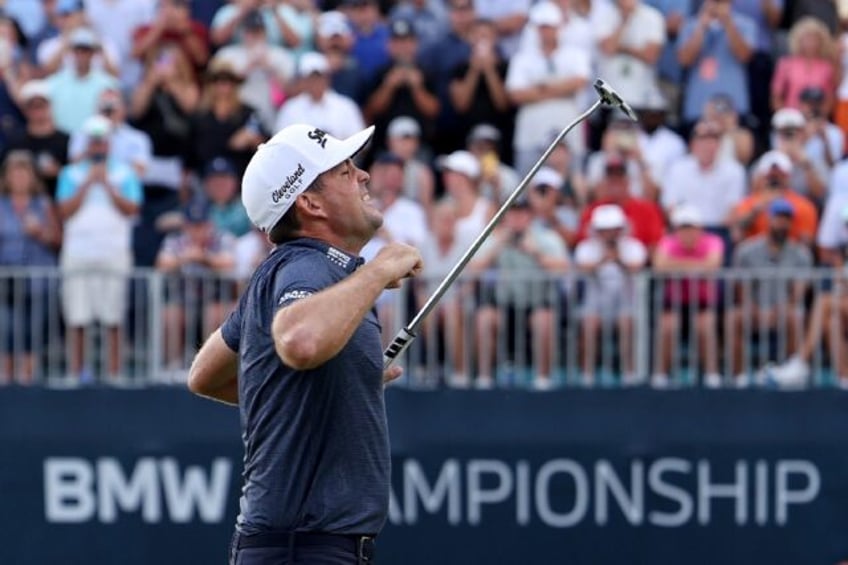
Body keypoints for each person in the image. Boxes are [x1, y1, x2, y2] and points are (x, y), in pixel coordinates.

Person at [187, 123, 423, 564]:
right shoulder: (309, 267)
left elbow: (204, 375)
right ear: (310, 203)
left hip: (299, 547)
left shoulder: (289, 270)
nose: (364, 176)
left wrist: (334, 389)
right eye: (345, 171)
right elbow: (300, 340)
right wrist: (377, 270)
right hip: (304, 549)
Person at [56, 114, 142, 383]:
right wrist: (87, 183)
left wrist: (107, 185)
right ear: (86, 143)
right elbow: (64, 210)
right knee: (77, 316)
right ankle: (77, 372)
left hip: (113, 251)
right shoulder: (70, 173)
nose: (98, 147)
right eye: (93, 142)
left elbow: (132, 209)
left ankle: (114, 373)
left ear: (109, 144)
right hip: (78, 252)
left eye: (102, 142)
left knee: (113, 315)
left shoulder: (125, 173)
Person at [471, 198, 569, 390]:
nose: (516, 218)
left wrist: (536, 253)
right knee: (484, 319)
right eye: (512, 213)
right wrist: (497, 248)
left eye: (521, 213)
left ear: (530, 216)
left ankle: (543, 379)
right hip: (505, 304)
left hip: (537, 302)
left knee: (543, 320)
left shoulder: (546, 238)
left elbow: (564, 267)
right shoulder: (495, 239)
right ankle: (484, 378)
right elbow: (473, 269)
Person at [726, 199, 813, 386]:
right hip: (755, 310)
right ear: (769, 220)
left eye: (787, 219)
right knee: (734, 317)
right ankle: (739, 376)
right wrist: (754, 308)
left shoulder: (801, 253)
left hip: (784, 310)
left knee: (795, 316)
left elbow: (799, 290)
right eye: (778, 218)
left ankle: (788, 373)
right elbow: (742, 287)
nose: (782, 223)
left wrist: (783, 308)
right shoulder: (747, 251)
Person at [506, 1, 590, 174]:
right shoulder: (523, 58)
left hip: (567, 131)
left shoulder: (575, 54)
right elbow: (515, 94)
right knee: (526, 183)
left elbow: (580, 82)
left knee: (573, 182)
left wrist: (540, 89)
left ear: (559, 27)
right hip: (531, 134)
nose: (546, 32)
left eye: (550, 27)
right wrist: (561, 89)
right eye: (542, 27)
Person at [156, 198, 236, 377]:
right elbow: (162, 264)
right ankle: (173, 368)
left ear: (209, 224)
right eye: (193, 225)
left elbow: (229, 263)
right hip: (183, 301)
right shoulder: (175, 241)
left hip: (214, 299)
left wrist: (204, 258)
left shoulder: (223, 238)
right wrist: (185, 258)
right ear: (185, 226)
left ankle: (212, 368)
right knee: (170, 315)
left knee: (214, 314)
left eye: (201, 225)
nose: (197, 231)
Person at [0, 150, 61, 384]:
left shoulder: (43, 205)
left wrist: (40, 233)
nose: (19, 178)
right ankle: (5, 386)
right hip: (5, 283)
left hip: (38, 284)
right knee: (5, 334)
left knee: (30, 337)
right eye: (14, 173)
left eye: (24, 173)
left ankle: (26, 383)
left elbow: (57, 240)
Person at [652, 204, 724, 388]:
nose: (687, 232)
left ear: (699, 229)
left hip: (703, 301)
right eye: (683, 227)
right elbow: (660, 266)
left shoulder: (713, 241)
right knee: (667, 326)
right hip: (674, 301)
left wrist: (676, 265)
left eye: (690, 227)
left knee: (705, 326)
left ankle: (711, 375)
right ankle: (661, 375)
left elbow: (712, 266)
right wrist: (697, 266)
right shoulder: (667, 241)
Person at [574, 203, 647, 386]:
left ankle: (629, 374)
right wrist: (603, 260)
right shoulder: (586, 247)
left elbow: (637, 266)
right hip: (595, 304)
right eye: (605, 230)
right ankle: (587, 375)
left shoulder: (634, 246)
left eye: (613, 230)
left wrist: (619, 260)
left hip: (626, 304)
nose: (609, 235)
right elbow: (583, 267)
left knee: (626, 323)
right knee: (589, 324)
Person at [730, 150, 818, 246]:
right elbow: (736, 236)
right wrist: (755, 212)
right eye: (770, 176)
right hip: (755, 257)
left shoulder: (803, 206)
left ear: (787, 178)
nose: (774, 179)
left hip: (789, 256)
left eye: (779, 176)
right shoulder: (748, 204)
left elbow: (806, 244)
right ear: (761, 177)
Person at [274, 51, 364, 140]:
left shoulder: (346, 106)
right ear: (303, 80)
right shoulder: (290, 109)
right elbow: (279, 142)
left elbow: (360, 142)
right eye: (311, 78)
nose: (315, 82)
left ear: (327, 78)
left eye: (319, 77)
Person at [5, 79, 69, 198]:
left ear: (49, 106)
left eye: (41, 106)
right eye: (33, 107)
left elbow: (74, 174)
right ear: (25, 110)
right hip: (23, 205)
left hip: (58, 201)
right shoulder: (15, 142)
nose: (38, 111)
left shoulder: (65, 140)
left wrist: (60, 173)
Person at [771, 17, 837, 113]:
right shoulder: (786, 64)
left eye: (814, 39)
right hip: (791, 118)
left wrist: (818, 118)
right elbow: (776, 95)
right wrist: (785, 116)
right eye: (806, 38)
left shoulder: (827, 67)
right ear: (798, 40)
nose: (810, 43)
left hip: (816, 119)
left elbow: (829, 98)